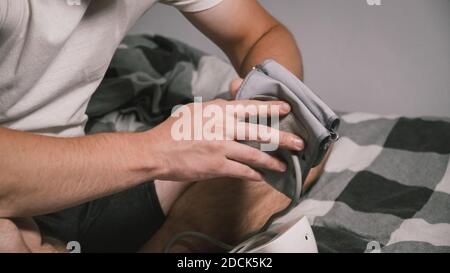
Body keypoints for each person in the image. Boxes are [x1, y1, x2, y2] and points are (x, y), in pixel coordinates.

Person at [0, 0, 328, 252]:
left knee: (292, 142)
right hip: (14, 186)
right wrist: (159, 151)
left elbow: (258, 33)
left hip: (82, 182)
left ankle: (168, 245)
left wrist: (262, 109)